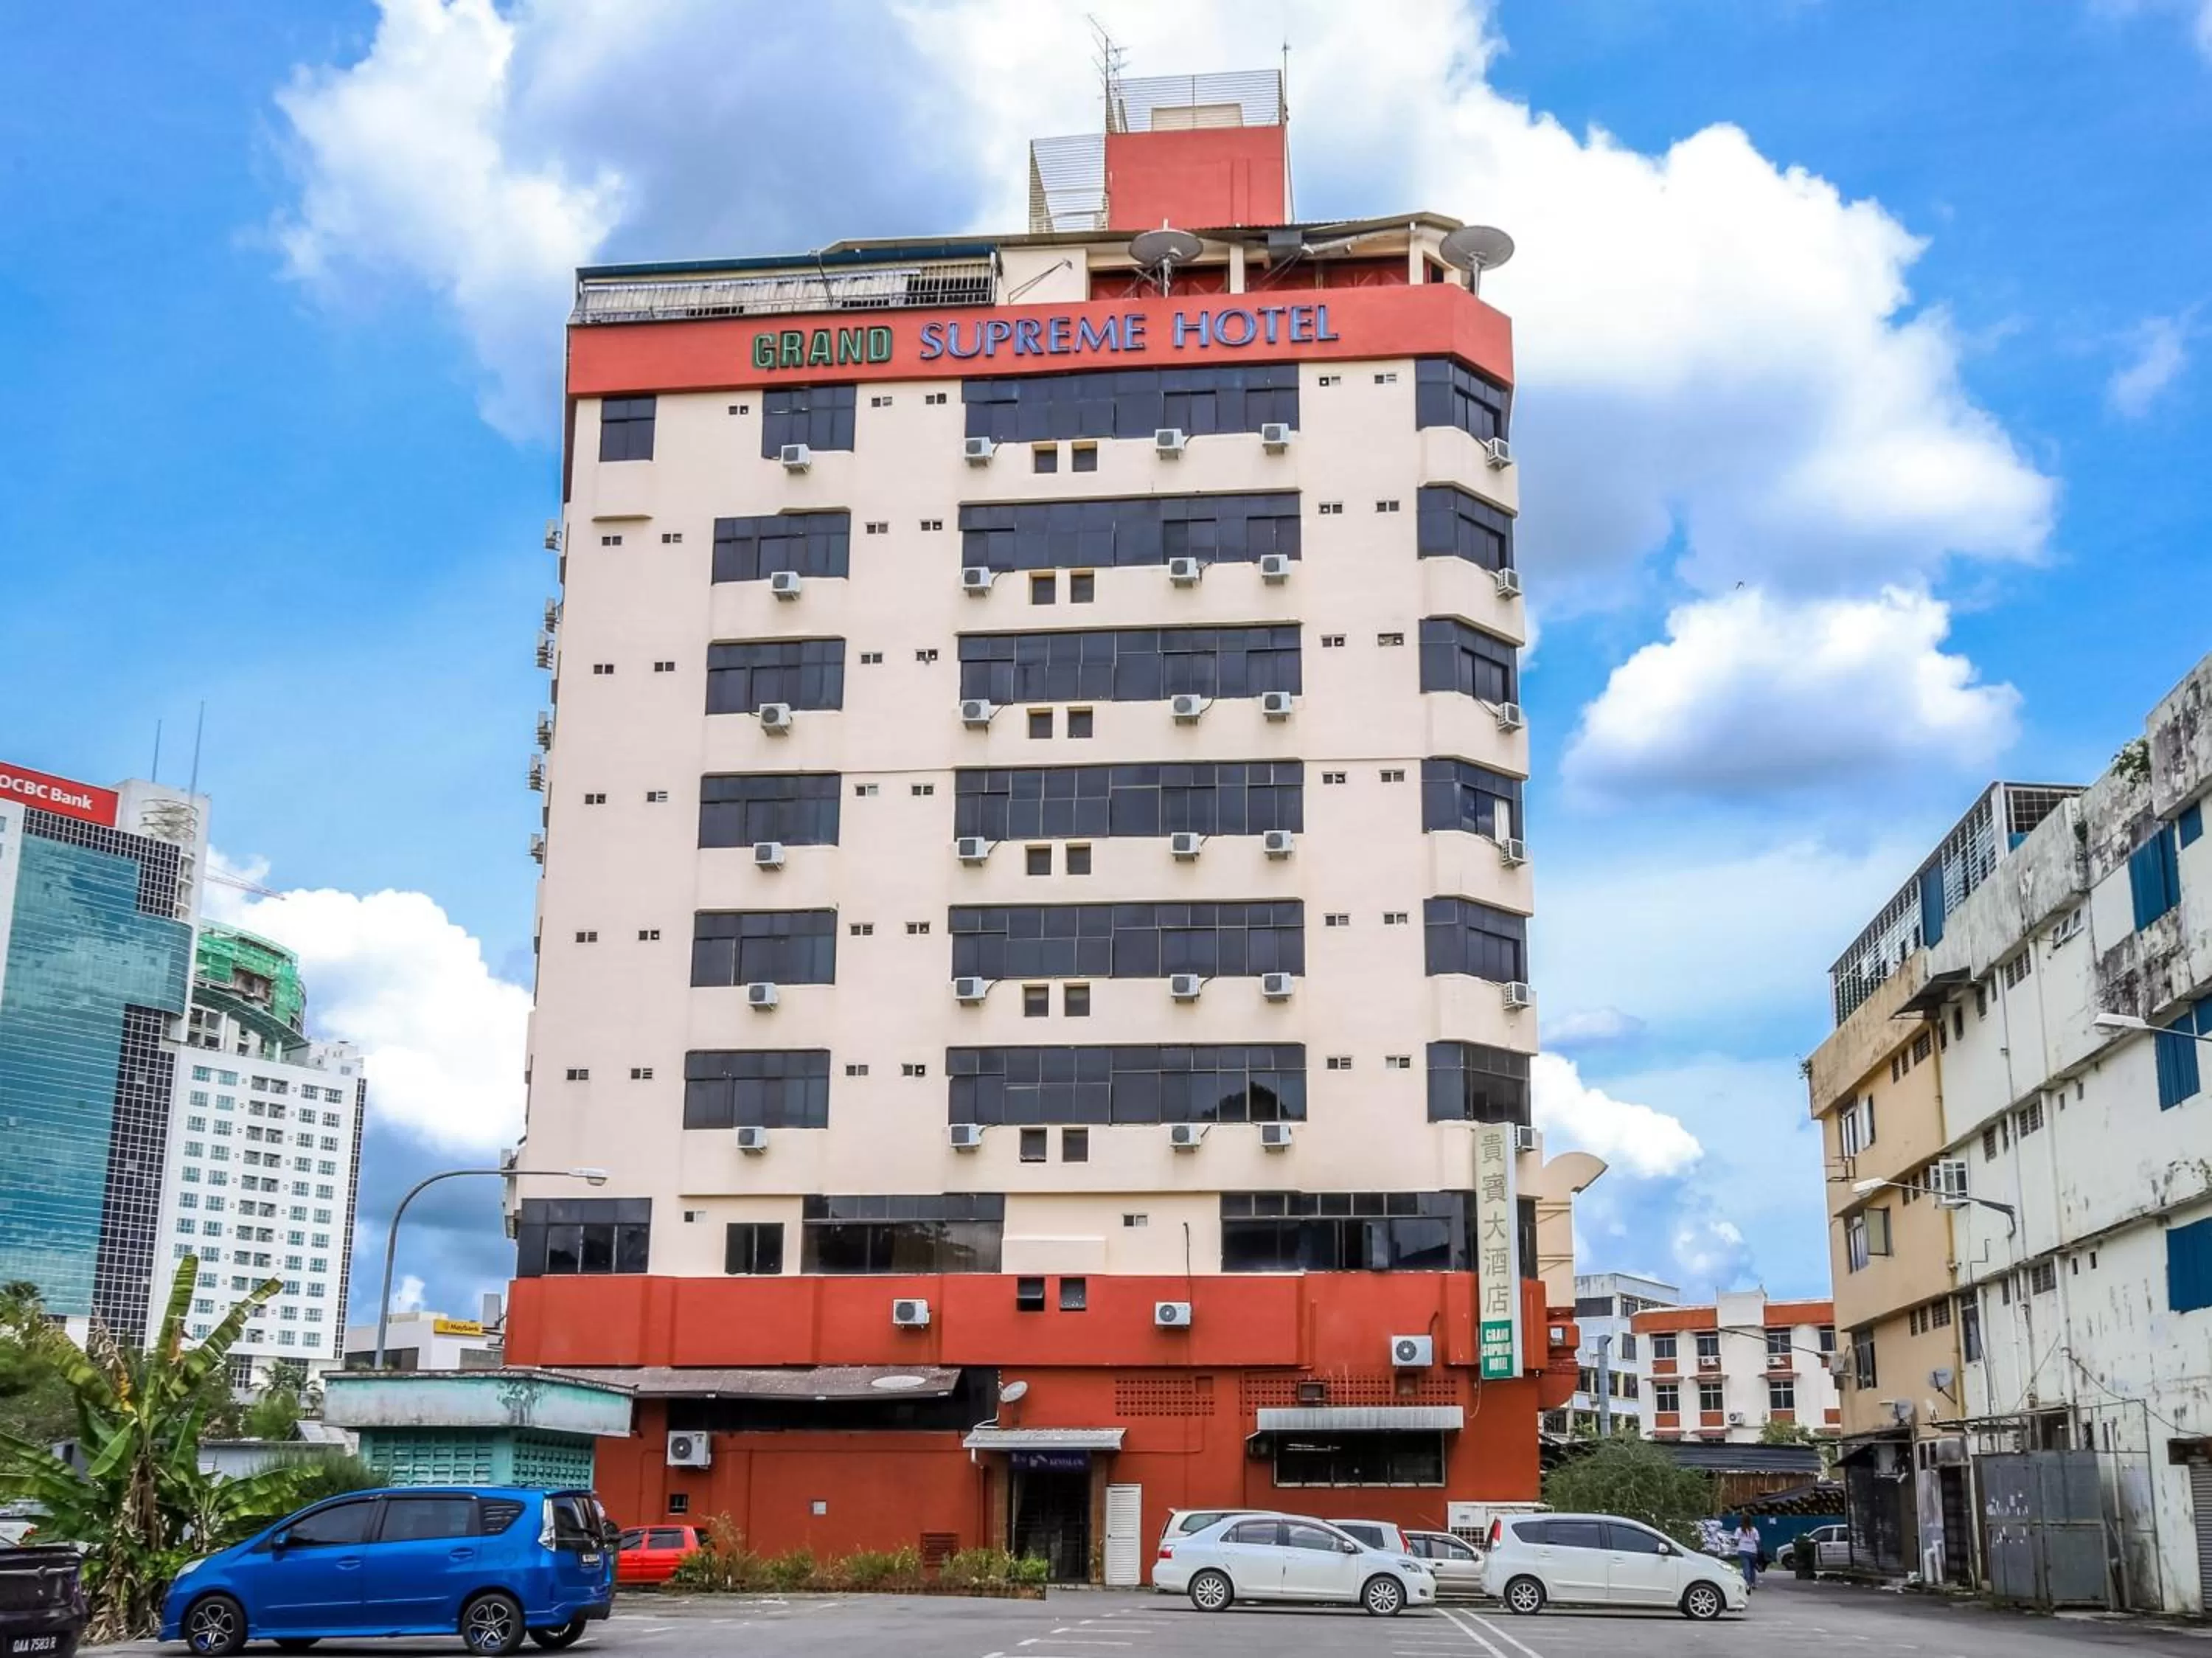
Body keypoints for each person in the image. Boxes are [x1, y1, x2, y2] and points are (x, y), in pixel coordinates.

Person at [1733, 1516, 1761, 1589]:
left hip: (1742, 1550)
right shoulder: (1754, 1530)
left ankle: (1747, 1583)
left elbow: (1736, 1541)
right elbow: (1758, 1541)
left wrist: (1739, 1541)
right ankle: (1753, 1583)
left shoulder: (1739, 1530)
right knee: (1752, 1568)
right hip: (1753, 1551)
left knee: (1746, 1568)